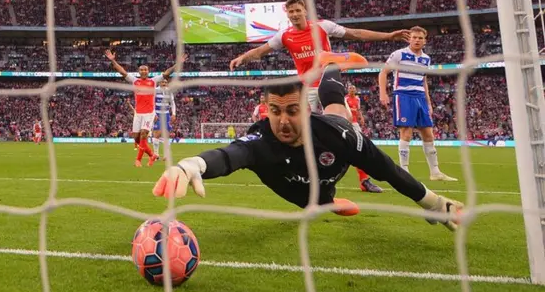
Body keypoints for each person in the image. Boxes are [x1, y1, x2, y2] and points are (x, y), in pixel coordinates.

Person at [152, 79, 464, 231]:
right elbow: (229, 154)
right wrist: (191, 164)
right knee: (316, 203)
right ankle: (329, 202)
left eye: (292, 111)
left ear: (305, 109)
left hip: (332, 151)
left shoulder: (337, 136)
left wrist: (433, 203)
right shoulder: (260, 139)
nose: (283, 121)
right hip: (301, 191)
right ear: (266, 110)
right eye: (275, 111)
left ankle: (329, 72)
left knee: (338, 108)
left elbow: (386, 168)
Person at [230, 0, 409, 115]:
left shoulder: (323, 26)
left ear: (305, 11)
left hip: (329, 83)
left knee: (347, 126)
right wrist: (242, 58)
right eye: (291, 11)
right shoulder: (284, 36)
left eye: (297, 10)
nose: (294, 14)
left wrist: (389, 35)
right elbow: (260, 51)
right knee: (307, 131)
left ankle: (363, 173)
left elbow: (356, 34)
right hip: (307, 89)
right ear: (288, 14)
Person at [378, 26, 457, 181]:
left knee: (428, 133)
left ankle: (435, 172)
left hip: (420, 96)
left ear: (424, 41)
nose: (417, 40)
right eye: (414, 37)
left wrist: (428, 102)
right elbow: (383, 72)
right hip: (403, 95)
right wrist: (383, 93)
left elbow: (423, 79)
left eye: (420, 38)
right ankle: (404, 172)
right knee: (406, 132)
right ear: (409, 39)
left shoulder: (426, 59)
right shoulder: (399, 54)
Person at [105, 50, 186, 166]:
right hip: (138, 113)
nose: (144, 71)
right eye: (141, 69)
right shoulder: (134, 81)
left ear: (148, 71)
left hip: (149, 113)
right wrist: (112, 60)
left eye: (145, 69)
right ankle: (152, 155)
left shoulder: (153, 81)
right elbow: (122, 72)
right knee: (136, 138)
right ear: (139, 71)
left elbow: (166, 73)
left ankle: (138, 160)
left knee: (144, 134)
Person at [345, 84, 383, 193]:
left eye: (353, 88)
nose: (352, 90)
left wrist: (361, 117)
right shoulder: (345, 99)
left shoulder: (357, 99)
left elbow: (357, 110)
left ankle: (364, 180)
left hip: (355, 123)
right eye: (350, 89)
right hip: (347, 123)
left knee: (359, 148)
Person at [152, 78, 176, 160]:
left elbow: (172, 103)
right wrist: (154, 114)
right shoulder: (155, 90)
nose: (164, 83)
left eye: (165, 82)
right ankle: (156, 154)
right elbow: (152, 103)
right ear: (159, 82)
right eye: (162, 82)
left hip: (166, 114)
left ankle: (166, 155)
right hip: (158, 114)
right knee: (157, 134)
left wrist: (173, 114)